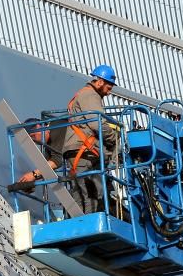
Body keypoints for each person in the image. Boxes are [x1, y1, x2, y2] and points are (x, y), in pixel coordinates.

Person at [62, 64, 117, 213]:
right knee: (91, 193)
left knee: (80, 192)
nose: (109, 91)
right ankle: (86, 225)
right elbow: (96, 123)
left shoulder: (83, 94)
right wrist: (114, 138)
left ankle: (79, 225)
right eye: (109, 86)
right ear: (100, 82)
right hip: (83, 150)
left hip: (78, 150)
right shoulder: (91, 95)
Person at [16, 118, 62, 191]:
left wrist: (33, 175)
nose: (34, 141)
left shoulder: (57, 127)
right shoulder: (47, 142)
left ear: (38, 126)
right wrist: (30, 180)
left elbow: (58, 160)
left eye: (33, 136)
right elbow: (47, 167)